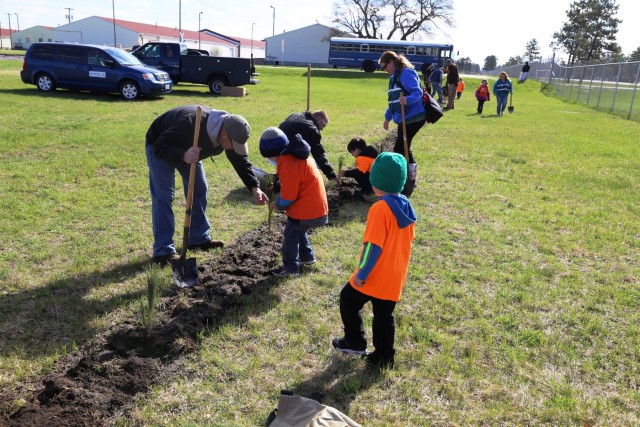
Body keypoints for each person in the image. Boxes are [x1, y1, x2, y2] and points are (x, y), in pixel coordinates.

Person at [145, 105, 268, 265]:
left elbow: (239, 160)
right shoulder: (190, 123)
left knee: (199, 189)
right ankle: (163, 251)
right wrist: (183, 155)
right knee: (164, 197)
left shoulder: (229, 130)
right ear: (223, 134)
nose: (233, 148)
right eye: (233, 144)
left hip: (191, 151)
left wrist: (254, 187)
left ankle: (198, 238)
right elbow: (160, 145)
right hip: (161, 145)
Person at [332, 152, 417, 370]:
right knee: (383, 316)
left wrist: (361, 274)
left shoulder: (380, 208)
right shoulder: (405, 205)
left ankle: (355, 341)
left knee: (348, 300)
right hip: (395, 275)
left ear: (376, 182)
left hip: (375, 274)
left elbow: (373, 247)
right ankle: (384, 356)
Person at [259, 127, 329, 277]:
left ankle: (290, 268)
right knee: (299, 230)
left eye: (270, 157)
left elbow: (289, 197)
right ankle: (307, 258)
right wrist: (278, 186)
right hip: (317, 208)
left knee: (290, 234)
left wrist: (277, 205)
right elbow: (297, 180)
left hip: (307, 210)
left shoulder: (287, 164)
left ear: (273, 153)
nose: (270, 160)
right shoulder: (298, 156)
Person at [378, 50, 425, 198]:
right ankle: (410, 178)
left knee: (400, 148)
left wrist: (408, 99)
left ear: (391, 62)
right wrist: (387, 117)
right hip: (404, 117)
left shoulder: (406, 73)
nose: (384, 70)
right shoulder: (394, 77)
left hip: (414, 117)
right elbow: (393, 100)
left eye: (384, 66)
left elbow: (417, 92)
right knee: (404, 147)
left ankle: (406, 183)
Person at [278, 110, 338, 186]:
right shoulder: (313, 130)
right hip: (284, 154)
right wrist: (332, 176)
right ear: (318, 118)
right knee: (312, 163)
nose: (322, 129)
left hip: (273, 148)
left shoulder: (296, 115)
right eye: (324, 125)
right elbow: (319, 155)